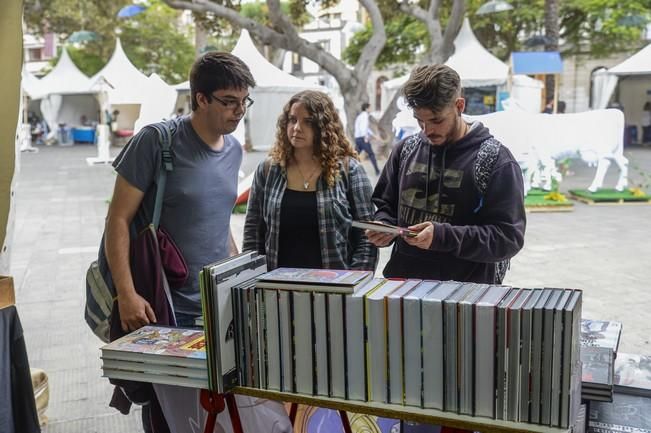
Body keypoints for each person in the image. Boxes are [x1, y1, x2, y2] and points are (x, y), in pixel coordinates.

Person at [105, 52, 290, 433]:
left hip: (212, 308)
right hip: (161, 306)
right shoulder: (157, 142)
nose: (239, 111)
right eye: (229, 101)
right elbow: (118, 220)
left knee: (212, 413)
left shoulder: (235, 150)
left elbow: (220, 224)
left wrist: (239, 284)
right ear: (201, 99)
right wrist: (126, 293)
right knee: (165, 414)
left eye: (244, 101)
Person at [368, 63, 526, 285]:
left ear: (459, 105)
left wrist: (443, 237)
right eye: (419, 120)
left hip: (468, 297)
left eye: (436, 120)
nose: (426, 129)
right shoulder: (405, 150)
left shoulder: (496, 160)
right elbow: (386, 207)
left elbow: (508, 239)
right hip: (402, 290)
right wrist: (383, 226)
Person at [243, 90, 377, 272]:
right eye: (292, 120)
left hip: (334, 290)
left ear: (323, 127)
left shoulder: (349, 170)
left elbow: (368, 237)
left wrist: (352, 285)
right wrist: (251, 282)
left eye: (308, 122)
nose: (297, 128)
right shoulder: (268, 170)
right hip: (276, 289)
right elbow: (253, 235)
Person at [354, 102, 381, 175]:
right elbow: (364, 128)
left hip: (358, 139)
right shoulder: (365, 116)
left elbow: (366, 129)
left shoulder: (360, 116)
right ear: (366, 108)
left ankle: (351, 171)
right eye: (370, 108)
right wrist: (365, 138)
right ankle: (377, 171)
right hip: (363, 139)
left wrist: (374, 136)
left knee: (354, 156)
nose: (371, 109)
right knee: (371, 154)